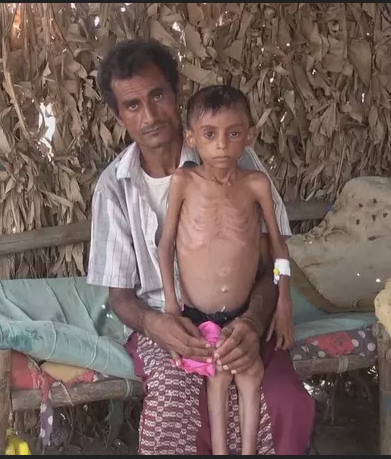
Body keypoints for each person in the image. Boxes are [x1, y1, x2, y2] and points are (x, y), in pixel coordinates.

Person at [87, 39, 315, 455]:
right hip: (168, 326)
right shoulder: (113, 188)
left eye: (158, 95)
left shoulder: (236, 160)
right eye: (133, 105)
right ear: (119, 115)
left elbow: (279, 261)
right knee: (173, 415)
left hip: (244, 318)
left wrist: (256, 318)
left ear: (176, 94)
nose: (151, 115)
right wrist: (157, 324)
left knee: (284, 403)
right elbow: (119, 296)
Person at [157, 85, 295, 455]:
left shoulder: (256, 185)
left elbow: (279, 249)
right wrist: (171, 305)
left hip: (243, 310)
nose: (222, 145)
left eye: (234, 134)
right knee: (217, 377)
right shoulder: (183, 182)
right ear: (191, 138)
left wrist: (284, 302)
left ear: (249, 135)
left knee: (251, 375)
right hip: (195, 313)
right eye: (209, 135)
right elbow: (166, 244)